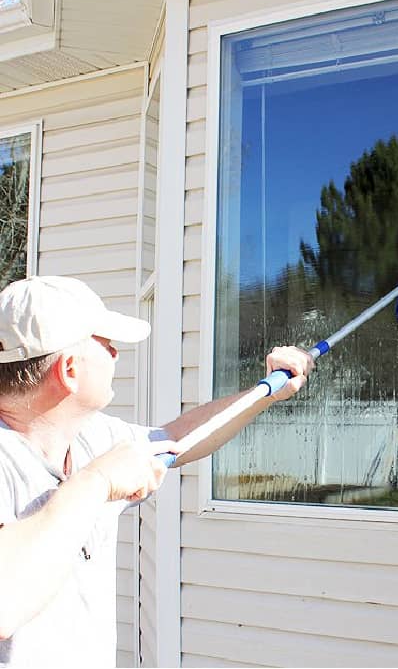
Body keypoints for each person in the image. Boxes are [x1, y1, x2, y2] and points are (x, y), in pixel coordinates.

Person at [0, 275, 313, 668]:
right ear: (69, 371)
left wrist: (266, 391)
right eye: (106, 344)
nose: (115, 354)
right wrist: (97, 482)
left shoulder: (91, 438)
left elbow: (178, 438)